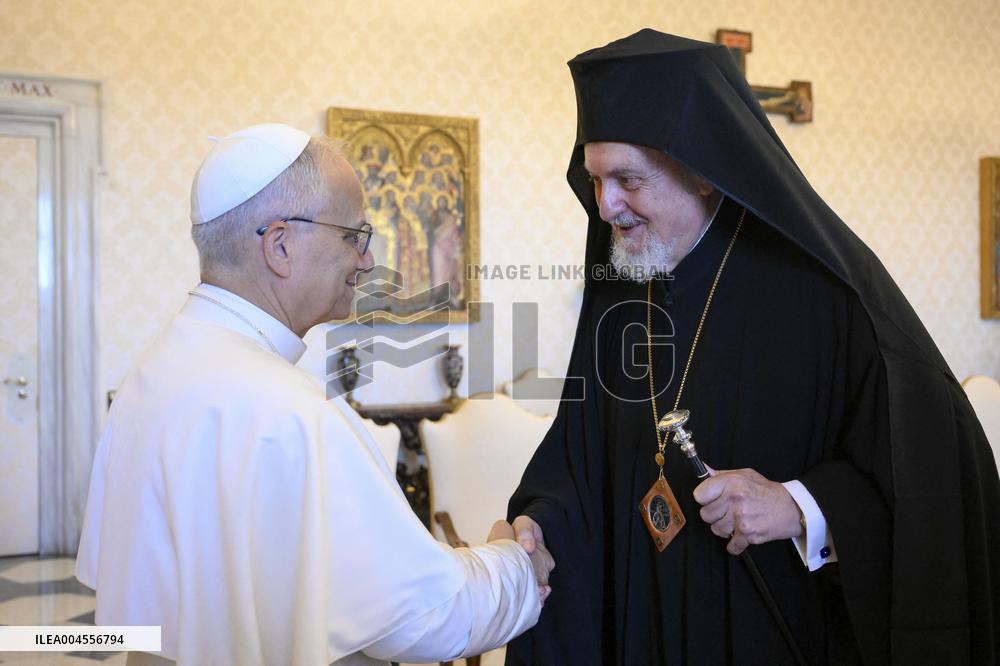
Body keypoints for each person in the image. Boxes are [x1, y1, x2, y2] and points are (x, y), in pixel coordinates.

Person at [506, 30, 1000, 665]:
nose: (605, 206)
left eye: (627, 179)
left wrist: (798, 506)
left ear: (704, 173)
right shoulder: (621, 288)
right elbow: (580, 458)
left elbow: (935, 473)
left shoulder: (823, 293)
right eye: (596, 179)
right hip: (641, 625)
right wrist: (539, 523)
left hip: (775, 631)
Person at [76, 123, 550, 666]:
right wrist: (516, 565)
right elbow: (427, 619)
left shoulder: (152, 372)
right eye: (354, 236)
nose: (367, 261)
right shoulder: (292, 411)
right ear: (280, 244)